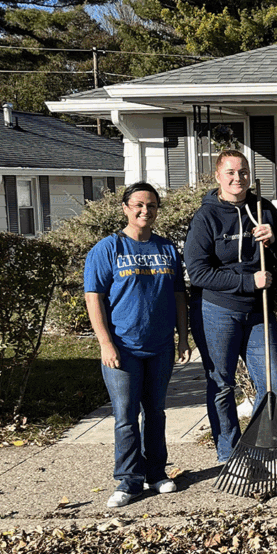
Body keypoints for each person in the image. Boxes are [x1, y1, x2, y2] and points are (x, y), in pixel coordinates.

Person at [84, 182, 191, 508]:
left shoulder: (167, 249)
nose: (146, 211)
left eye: (152, 206)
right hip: (123, 349)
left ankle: (156, 473)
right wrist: (105, 343)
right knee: (126, 416)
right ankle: (129, 481)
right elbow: (94, 298)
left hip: (159, 347)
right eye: (139, 205)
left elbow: (178, 297)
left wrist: (183, 337)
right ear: (126, 208)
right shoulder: (108, 248)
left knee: (156, 413)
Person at [184, 149, 277, 464]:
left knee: (273, 384)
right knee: (222, 384)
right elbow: (197, 271)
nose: (237, 178)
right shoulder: (207, 217)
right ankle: (229, 454)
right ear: (218, 176)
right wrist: (247, 283)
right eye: (230, 172)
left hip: (259, 311)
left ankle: (253, 450)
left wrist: (276, 239)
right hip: (217, 309)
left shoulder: (263, 209)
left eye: (242, 172)